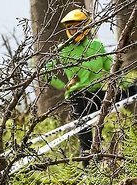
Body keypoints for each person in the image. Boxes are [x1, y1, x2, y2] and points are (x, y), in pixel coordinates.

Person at [48, 9, 118, 157]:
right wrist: (62, 86)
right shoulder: (63, 50)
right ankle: (89, 173)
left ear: (86, 27)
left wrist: (122, 84)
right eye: (70, 27)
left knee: (131, 91)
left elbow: (111, 67)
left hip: (98, 94)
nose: (73, 30)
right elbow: (45, 70)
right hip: (77, 97)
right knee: (85, 138)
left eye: (77, 26)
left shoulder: (97, 46)